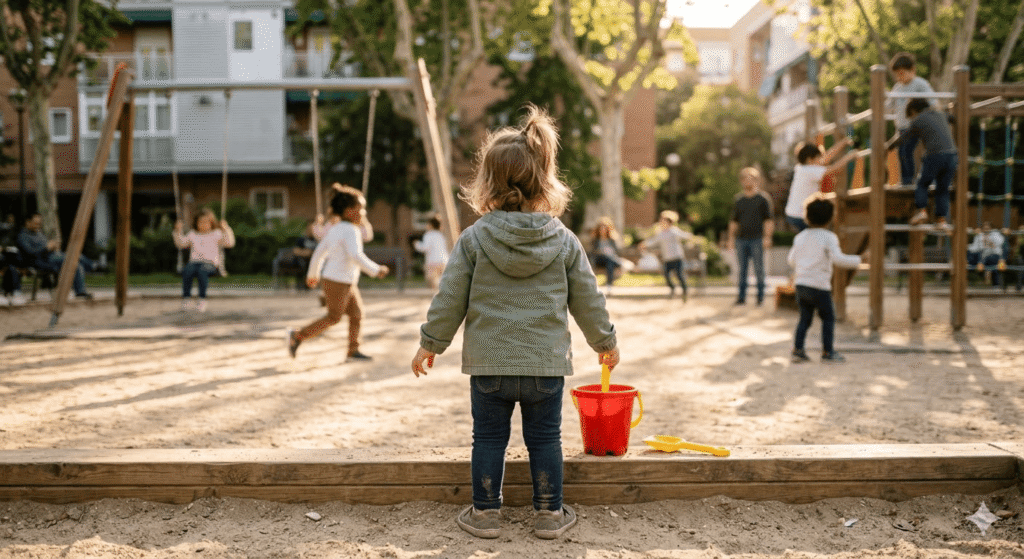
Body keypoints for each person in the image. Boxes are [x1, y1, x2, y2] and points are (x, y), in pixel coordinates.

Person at [410, 105, 618, 541]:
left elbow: (450, 297)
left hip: (490, 364)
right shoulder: (563, 239)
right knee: (546, 440)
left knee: (488, 439)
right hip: (544, 365)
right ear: (544, 178)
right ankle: (549, 514)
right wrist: (605, 341)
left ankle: (485, 514)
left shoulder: (474, 239)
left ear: (488, 182)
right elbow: (588, 297)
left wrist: (430, 342)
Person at [287, 185, 390, 362]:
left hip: (344, 281)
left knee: (357, 314)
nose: (363, 213)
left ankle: (353, 350)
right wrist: (376, 270)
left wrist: (313, 274)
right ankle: (297, 336)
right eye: (361, 209)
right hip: (337, 281)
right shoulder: (350, 230)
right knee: (333, 317)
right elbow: (355, 255)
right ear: (349, 211)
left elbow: (319, 252)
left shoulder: (336, 229)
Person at [788, 193, 863, 364]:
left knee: (804, 319)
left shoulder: (800, 237)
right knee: (828, 318)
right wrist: (859, 260)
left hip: (802, 284)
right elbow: (838, 259)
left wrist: (803, 267)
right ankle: (827, 351)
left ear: (806, 217)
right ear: (830, 218)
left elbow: (791, 260)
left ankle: (798, 350)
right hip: (820, 286)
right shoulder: (829, 237)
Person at [886, 98, 957, 230]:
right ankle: (941, 220)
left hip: (935, 155)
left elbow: (904, 137)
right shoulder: (940, 114)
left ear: (913, 111)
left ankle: (922, 211)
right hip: (952, 156)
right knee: (943, 189)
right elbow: (952, 118)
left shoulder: (918, 120)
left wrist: (889, 146)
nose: (911, 119)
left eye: (910, 116)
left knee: (922, 184)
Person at [16, 213, 97, 299]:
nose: (39, 226)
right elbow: (30, 253)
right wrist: (46, 248)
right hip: (39, 262)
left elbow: (45, 247)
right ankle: (94, 267)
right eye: (36, 223)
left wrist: (53, 247)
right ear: (28, 222)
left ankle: (81, 292)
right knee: (72, 256)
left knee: (76, 263)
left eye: (40, 223)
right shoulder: (23, 236)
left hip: (51, 257)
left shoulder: (39, 234)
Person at [785, 139, 857, 233]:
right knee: (820, 233)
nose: (820, 160)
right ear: (809, 160)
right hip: (801, 215)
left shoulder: (801, 168)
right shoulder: (810, 171)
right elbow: (834, 169)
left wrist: (843, 143)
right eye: (818, 158)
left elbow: (826, 158)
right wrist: (850, 156)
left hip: (792, 213)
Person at [887, 52, 937, 186]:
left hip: (914, 126)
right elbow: (888, 105)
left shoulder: (919, 84)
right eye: (897, 74)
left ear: (912, 70)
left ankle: (909, 180)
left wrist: (934, 114)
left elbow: (932, 100)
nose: (899, 77)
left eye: (902, 73)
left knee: (906, 151)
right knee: (901, 153)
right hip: (901, 127)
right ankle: (905, 180)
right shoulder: (897, 88)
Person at [727, 167, 774, 306]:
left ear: (756, 180)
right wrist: (731, 239)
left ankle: (760, 298)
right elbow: (734, 221)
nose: (748, 180)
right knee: (742, 270)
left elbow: (768, 220)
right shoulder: (738, 199)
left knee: (759, 269)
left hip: (757, 239)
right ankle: (741, 297)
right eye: (745, 178)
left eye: (751, 178)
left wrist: (767, 237)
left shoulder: (763, 199)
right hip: (741, 239)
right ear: (742, 181)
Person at [173, 209, 235, 312]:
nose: (203, 224)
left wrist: (226, 229)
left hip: (210, 264)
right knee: (187, 270)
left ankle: (202, 300)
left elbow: (229, 243)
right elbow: (181, 244)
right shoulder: (193, 234)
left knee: (202, 271)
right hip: (194, 263)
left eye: (206, 222)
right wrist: (177, 231)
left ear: (211, 223)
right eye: (200, 222)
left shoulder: (217, 233)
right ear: (196, 223)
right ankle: (186, 299)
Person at [640, 210, 692, 300]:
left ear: (669, 223)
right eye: (661, 221)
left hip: (677, 258)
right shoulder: (661, 234)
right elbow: (653, 241)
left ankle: (685, 291)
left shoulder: (674, 231)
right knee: (667, 275)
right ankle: (673, 288)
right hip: (667, 259)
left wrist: (690, 236)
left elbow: (684, 235)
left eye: (664, 221)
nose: (662, 223)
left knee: (679, 275)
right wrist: (644, 244)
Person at [413, 214, 449, 292]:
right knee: (441, 280)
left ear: (431, 225)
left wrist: (416, 244)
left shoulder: (428, 235)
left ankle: (434, 296)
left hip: (433, 261)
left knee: (432, 282)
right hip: (443, 260)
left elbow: (425, 247)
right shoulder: (441, 235)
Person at [967, 221, 1006, 288]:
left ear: (991, 228)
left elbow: (1000, 242)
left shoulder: (995, 234)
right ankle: (981, 270)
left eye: (988, 228)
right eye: (984, 228)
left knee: (995, 263)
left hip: (995, 255)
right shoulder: (979, 236)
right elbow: (975, 247)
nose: (986, 230)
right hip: (983, 256)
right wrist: (967, 247)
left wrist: (989, 239)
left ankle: (991, 278)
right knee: (976, 254)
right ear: (982, 229)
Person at [590, 217, 622, 294]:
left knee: (610, 262)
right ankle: (622, 264)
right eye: (601, 228)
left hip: (609, 260)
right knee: (608, 258)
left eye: (604, 228)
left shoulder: (612, 240)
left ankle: (609, 285)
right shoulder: (595, 240)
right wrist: (601, 252)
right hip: (599, 260)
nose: (603, 230)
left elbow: (616, 252)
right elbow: (593, 252)